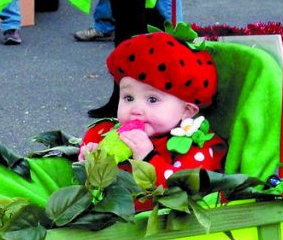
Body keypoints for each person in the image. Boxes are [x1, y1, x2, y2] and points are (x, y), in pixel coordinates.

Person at [79, 31, 226, 185]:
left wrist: (148, 158)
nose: (136, 109)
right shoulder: (108, 132)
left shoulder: (197, 149)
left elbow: (188, 189)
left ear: (187, 111)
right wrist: (90, 160)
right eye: (128, 98)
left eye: (152, 99)